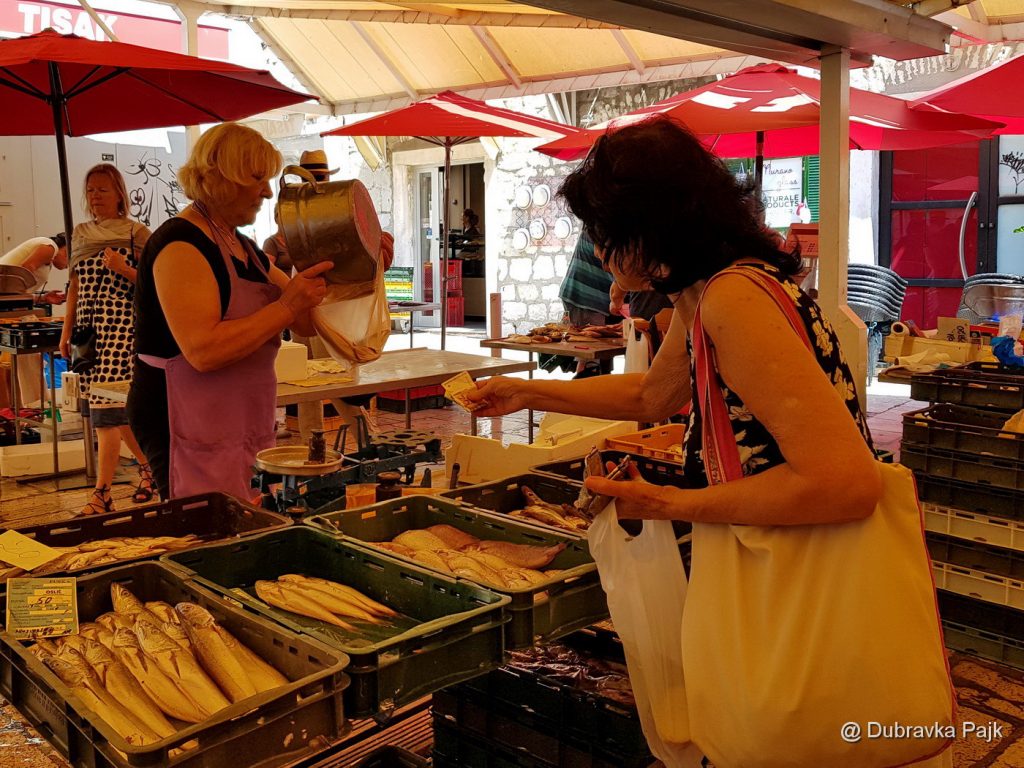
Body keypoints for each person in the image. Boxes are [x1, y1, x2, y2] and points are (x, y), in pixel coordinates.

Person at [467, 117, 951, 768]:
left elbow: (846, 483)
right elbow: (652, 396)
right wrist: (526, 393)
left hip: (797, 547)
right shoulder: (712, 290)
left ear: (652, 225)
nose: (600, 253)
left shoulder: (733, 299)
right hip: (772, 539)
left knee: (784, 727)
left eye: (604, 234)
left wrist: (668, 504)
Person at [127, 123, 331, 501]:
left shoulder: (244, 247)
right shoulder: (180, 244)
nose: (267, 192)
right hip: (187, 419)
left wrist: (352, 267)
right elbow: (204, 350)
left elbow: (306, 321)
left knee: (248, 515)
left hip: (240, 419)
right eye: (257, 179)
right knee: (204, 524)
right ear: (220, 178)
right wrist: (287, 305)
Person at [58, 164, 155, 515]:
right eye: (90, 190)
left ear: (118, 194)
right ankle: (149, 469)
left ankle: (102, 494)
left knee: (105, 413)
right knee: (114, 410)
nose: (95, 196)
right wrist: (66, 331)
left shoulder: (135, 233)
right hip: (88, 333)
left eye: (102, 189)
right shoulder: (81, 234)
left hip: (121, 328)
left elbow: (155, 280)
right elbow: (74, 286)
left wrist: (123, 269)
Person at [1, 233, 69, 406]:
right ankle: (35, 403)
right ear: (66, 248)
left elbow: (17, 290)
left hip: (8, 303)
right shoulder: (49, 247)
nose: (69, 264)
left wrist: (44, 298)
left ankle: (28, 403)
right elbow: (24, 270)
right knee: (28, 356)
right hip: (7, 306)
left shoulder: (46, 250)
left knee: (22, 360)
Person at [557, 230, 616, 376]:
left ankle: (596, 381)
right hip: (585, 298)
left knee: (599, 352)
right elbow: (612, 265)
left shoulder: (601, 228)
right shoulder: (599, 230)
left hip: (592, 298)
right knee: (588, 354)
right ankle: (585, 382)